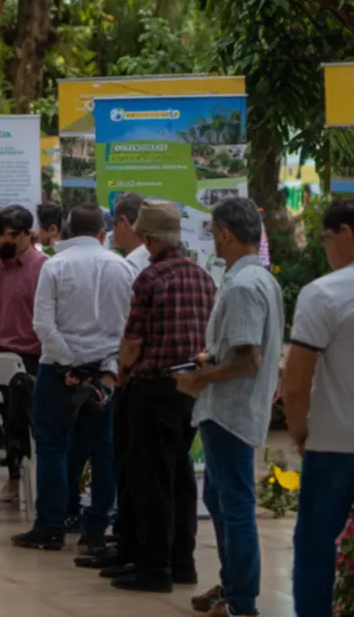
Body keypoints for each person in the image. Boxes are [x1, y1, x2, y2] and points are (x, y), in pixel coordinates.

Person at [174, 199, 282, 617]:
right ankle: (234, 583)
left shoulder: (242, 286)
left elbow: (246, 359)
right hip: (230, 410)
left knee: (235, 505)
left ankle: (241, 600)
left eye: (213, 232)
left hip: (231, 413)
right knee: (219, 498)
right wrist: (209, 356)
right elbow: (238, 350)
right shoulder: (258, 279)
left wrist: (198, 378)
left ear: (225, 234)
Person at [12, 203, 134, 553]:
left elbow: (43, 325)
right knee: (103, 449)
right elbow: (130, 327)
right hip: (107, 371)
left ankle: (50, 526)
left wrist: (70, 364)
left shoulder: (55, 266)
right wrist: (106, 367)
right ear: (101, 233)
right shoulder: (123, 268)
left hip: (57, 370)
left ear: (65, 231)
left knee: (52, 446)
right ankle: (96, 528)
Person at [113, 199, 215, 593]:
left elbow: (133, 342)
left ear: (148, 238)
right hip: (188, 388)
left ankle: (152, 568)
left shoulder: (150, 279)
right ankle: (182, 562)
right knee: (180, 475)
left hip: (151, 389)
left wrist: (121, 375)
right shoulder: (203, 277)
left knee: (150, 478)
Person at [285, 198, 354, 617]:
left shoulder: (324, 293)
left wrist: (300, 433)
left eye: (326, 238)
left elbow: (294, 381)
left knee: (316, 546)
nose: (325, 249)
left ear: (346, 234)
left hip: (334, 445)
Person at [0, 204, 47, 504]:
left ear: (28, 235)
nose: (4, 242)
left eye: (10, 236)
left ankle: (19, 465)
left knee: (20, 406)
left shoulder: (44, 268)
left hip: (30, 355)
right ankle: (8, 467)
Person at [113, 193, 151, 274]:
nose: (112, 233)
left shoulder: (128, 267)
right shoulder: (163, 258)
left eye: (114, 223)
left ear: (122, 224)